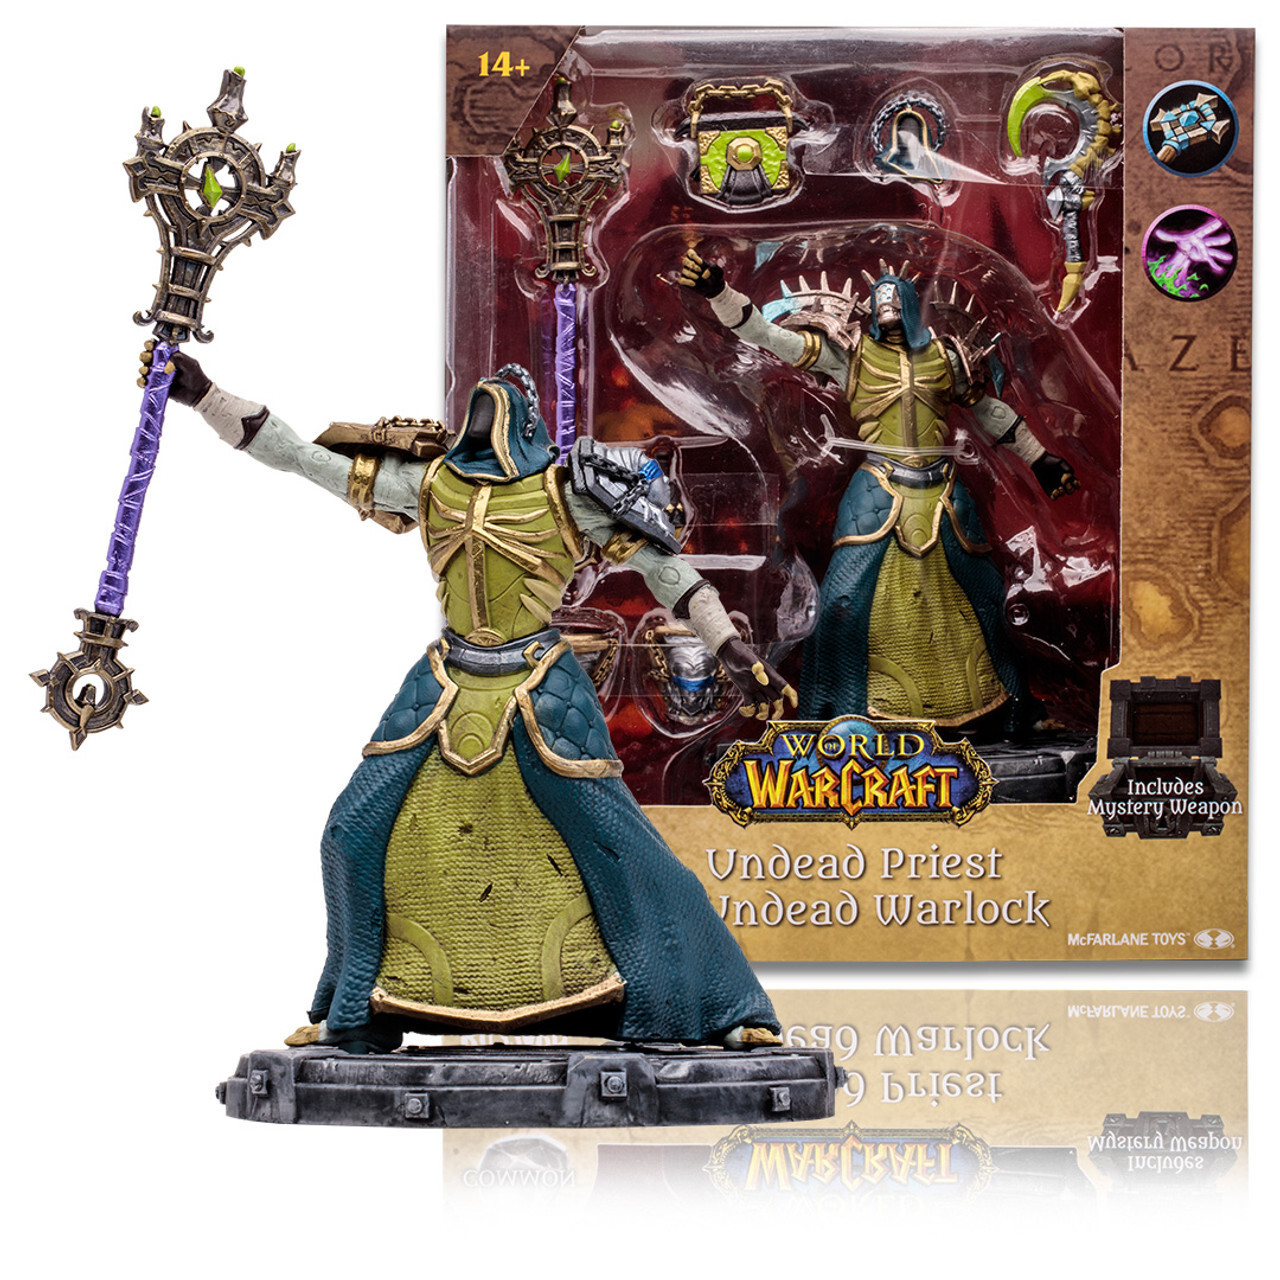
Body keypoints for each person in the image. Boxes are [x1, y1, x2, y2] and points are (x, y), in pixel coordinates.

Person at [148, 346, 793, 1052]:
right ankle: (355, 1011)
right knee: (352, 829)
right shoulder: (430, 484)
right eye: (482, 400)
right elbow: (301, 457)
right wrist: (206, 395)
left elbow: (670, 574)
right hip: (445, 680)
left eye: (506, 400)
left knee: (622, 844)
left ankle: (728, 1004)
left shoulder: (570, 492)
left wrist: (731, 649)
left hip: (543, 687)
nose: (491, 403)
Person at [678, 248, 1078, 734]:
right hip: (876, 492)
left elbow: (988, 410)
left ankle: (1017, 708)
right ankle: (830, 714)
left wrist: (1041, 458)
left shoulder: (946, 357)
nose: (888, 315)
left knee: (987, 597)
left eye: (895, 305)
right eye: (880, 307)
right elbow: (766, 334)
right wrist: (720, 293)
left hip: (944, 496)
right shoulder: (850, 355)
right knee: (842, 601)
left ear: (910, 305)